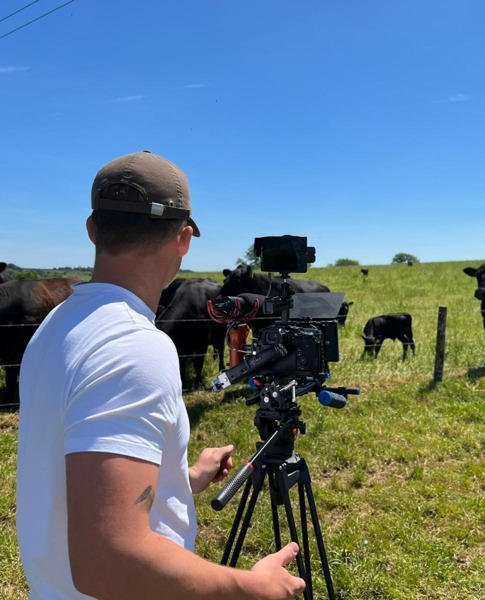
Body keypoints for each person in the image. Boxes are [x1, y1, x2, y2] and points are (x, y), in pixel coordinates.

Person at [16, 150, 306, 599]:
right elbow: (108, 562)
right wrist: (250, 586)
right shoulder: (135, 346)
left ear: (92, 229)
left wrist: (179, 479)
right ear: (183, 238)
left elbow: (81, 477)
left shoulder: (58, 324)